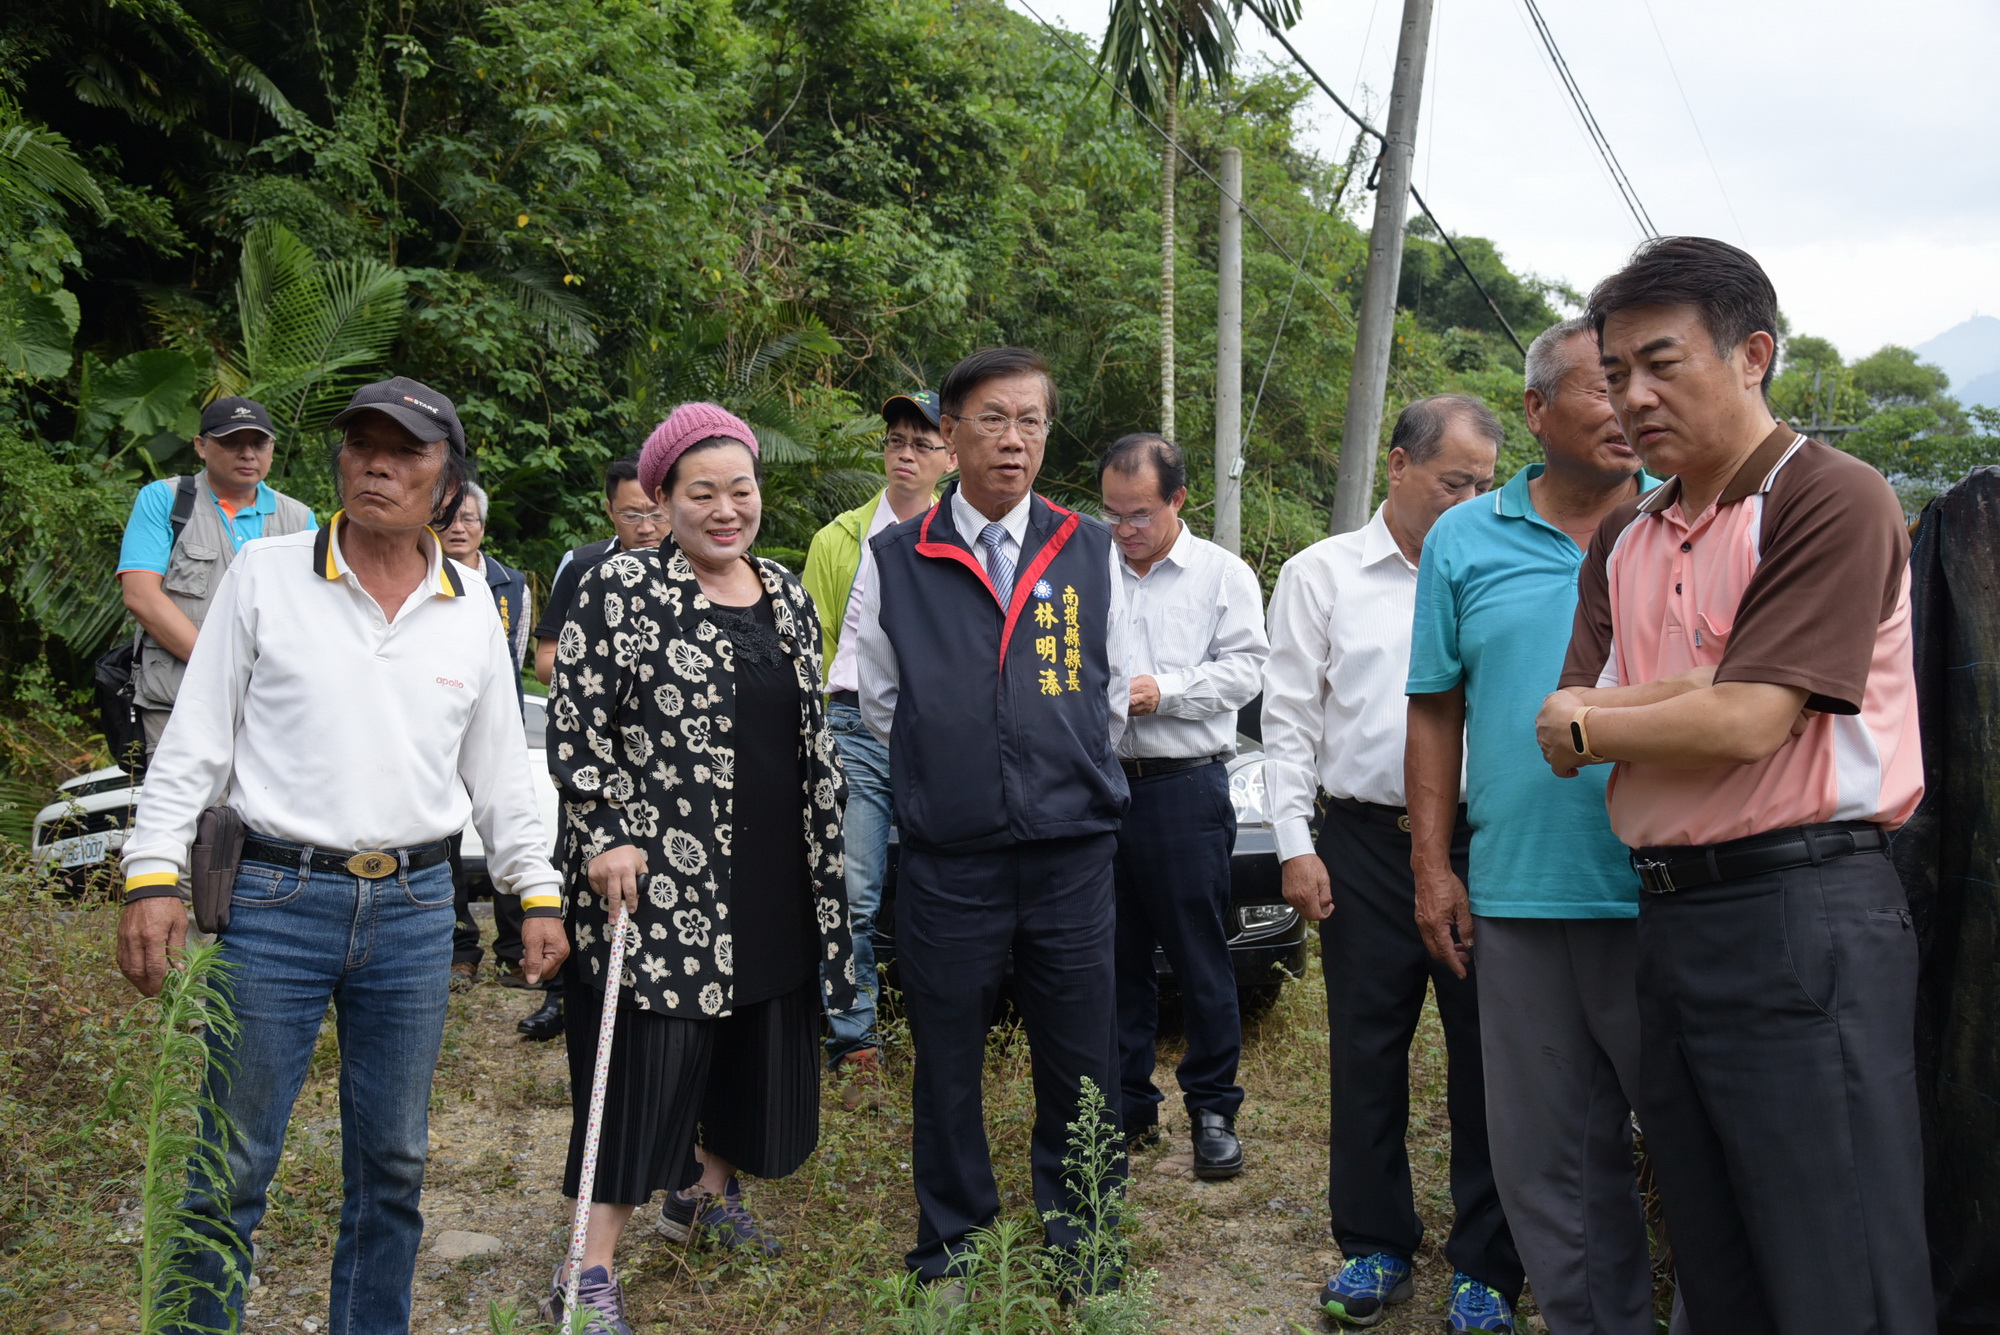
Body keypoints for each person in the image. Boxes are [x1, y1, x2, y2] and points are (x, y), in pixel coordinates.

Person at [114, 376, 568, 1335]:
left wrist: (536, 892)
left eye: (406, 451)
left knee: (393, 1166)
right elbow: (194, 741)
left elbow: (499, 776)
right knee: (229, 1160)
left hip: (411, 912)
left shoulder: (470, 606)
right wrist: (151, 872)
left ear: (447, 482)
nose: (378, 464)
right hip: (274, 900)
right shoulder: (267, 576)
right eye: (363, 444)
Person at [1538, 236, 1930, 1334]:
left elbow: (1750, 722)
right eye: (1614, 372)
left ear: (1751, 354)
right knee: (1714, 1260)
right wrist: (1698, 689)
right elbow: (1560, 728)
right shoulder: (1625, 530)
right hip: (1664, 913)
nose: (1633, 395)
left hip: (1803, 913)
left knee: (1837, 1261)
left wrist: (1671, 705)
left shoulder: (1828, 498)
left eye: (1662, 363)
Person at [542, 402, 854, 1335]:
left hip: (776, 866)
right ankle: (586, 1270)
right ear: (663, 498)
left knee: (756, 1041)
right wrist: (601, 829)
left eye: (741, 489)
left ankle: (703, 1199)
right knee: (650, 1063)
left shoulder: (788, 592)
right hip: (663, 878)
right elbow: (577, 719)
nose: (726, 510)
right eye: (702, 492)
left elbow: (805, 725)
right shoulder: (621, 588)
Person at [850, 346, 1131, 1292]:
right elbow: (883, 704)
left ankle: (1084, 1239)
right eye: (993, 420)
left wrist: (1051, 767)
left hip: (1071, 853)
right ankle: (953, 1242)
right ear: (952, 432)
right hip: (949, 857)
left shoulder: (1089, 548)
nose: (1014, 441)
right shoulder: (895, 558)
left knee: (1080, 1056)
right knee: (948, 1059)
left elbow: (1111, 694)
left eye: (1033, 422)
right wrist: (958, 774)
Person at [1406, 323, 1661, 1335]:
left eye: (1643, 382)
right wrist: (1433, 867)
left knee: (1694, 1152)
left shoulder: (1677, 525)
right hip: (1518, 894)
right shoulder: (1464, 540)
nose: (1629, 407)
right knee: (1549, 1165)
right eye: (1603, 387)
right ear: (1535, 410)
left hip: (1667, 892)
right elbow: (1434, 708)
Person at [1263, 395, 1521, 1332]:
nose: (1471, 502)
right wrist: (1295, 843)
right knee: (1368, 1047)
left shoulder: (1499, 567)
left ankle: (1488, 1263)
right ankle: (1374, 1244)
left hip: (1482, 844)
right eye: (1456, 482)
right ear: (1400, 468)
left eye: (1485, 485)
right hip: (1363, 842)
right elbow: (1287, 716)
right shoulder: (1321, 573)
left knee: (1487, 1053)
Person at [1098, 432, 1268, 1177]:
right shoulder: (1089, 571)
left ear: (1177, 499)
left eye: (1138, 514)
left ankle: (1212, 1108)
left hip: (1184, 786)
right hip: (1100, 788)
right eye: (1112, 514)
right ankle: (1128, 1105)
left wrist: (1160, 690)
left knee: (1200, 953)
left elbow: (1245, 671)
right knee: (1113, 955)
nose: (1125, 529)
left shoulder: (1222, 575)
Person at [802, 387, 954, 1104]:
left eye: (922, 443)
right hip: (853, 724)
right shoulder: (839, 537)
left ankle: (943, 1025)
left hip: (937, 735)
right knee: (853, 888)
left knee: (942, 891)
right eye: (896, 439)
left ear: (950, 457)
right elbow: (808, 646)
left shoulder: (963, 534)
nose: (905, 453)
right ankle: (853, 1035)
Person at [516, 453, 667, 1040]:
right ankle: (563, 991)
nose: (648, 527)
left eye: (656, 512)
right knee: (580, 864)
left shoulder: (696, 569)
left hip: (665, 762)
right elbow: (547, 657)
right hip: (593, 752)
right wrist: (616, 679)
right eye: (633, 515)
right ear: (609, 511)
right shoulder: (583, 566)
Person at [116, 395, 316, 759]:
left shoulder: (300, 519)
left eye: (258, 443)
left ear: (272, 448)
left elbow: (315, 613)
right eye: (231, 442)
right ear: (201, 446)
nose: (247, 454)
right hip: (177, 701)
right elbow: (141, 596)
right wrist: (221, 666)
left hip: (270, 714)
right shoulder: (165, 500)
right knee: (181, 814)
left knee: (260, 815)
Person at [438, 483, 537, 992]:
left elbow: (512, 659)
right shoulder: (420, 574)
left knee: (506, 832)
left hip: (496, 721)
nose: (459, 528)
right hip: (438, 722)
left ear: (483, 524)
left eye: (469, 519)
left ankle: (515, 948)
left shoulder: (508, 582)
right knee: (445, 839)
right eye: (449, 519)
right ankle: (458, 948)